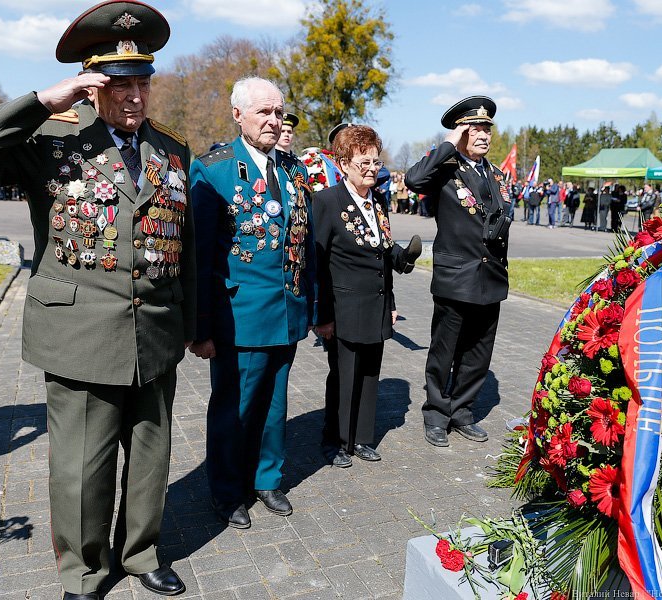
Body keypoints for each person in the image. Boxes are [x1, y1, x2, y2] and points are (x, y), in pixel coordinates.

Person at [0, 2, 195, 598]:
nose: (134, 96)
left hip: (155, 330)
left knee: (151, 457)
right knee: (82, 466)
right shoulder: (49, 141)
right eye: (118, 83)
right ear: (90, 83)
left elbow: (187, 247)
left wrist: (192, 325)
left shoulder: (172, 150)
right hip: (79, 333)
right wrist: (42, 102)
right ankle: (83, 569)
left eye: (142, 83)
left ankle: (140, 551)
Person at [189, 76, 315, 530]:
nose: (273, 120)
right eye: (263, 112)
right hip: (238, 315)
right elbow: (201, 256)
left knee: (276, 403)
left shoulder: (294, 169)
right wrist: (199, 328)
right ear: (238, 114)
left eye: (278, 112)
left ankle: (267, 478)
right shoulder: (215, 168)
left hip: (286, 311)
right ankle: (227, 491)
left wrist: (312, 309)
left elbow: (306, 243)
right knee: (235, 408)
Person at [405, 96, 512, 447]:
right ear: (461, 131)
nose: (483, 135)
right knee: (444, 349)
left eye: (486, 129)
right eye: (475, 128)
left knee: (479, 350)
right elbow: (414, 179)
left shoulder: (496, 174)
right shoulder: (445, 169)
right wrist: (449, 143)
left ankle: (462, 411)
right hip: (455, 277)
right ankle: (436, 413)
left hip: (490, 277)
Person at [313, 125, 420, 467]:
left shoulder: (378, 202)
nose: (373, 168)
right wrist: (322, 315)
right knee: (344, 375)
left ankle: (361, 438)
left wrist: (391, 300)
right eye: (364, 162)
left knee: (370, 373)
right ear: (344, 164)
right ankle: (335, 440)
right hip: (343, 307)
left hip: (375, 303)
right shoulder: (327, 201)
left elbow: (382, 254)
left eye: (376, 161)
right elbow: (317, 262)